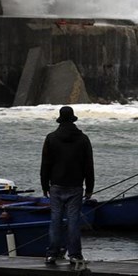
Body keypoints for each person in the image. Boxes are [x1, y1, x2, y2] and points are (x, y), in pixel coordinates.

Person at [40, 105, 94, 265]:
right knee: (73, 221)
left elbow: (45, 164)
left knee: (55, 220)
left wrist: (44, 185)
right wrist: (90, 188)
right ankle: (75, 255)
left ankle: (52, 253)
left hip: (56, 185)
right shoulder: (83, 139)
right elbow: (88, 166)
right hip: (76, 186)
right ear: (73, 119)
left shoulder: (51, 138)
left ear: (60, 119)